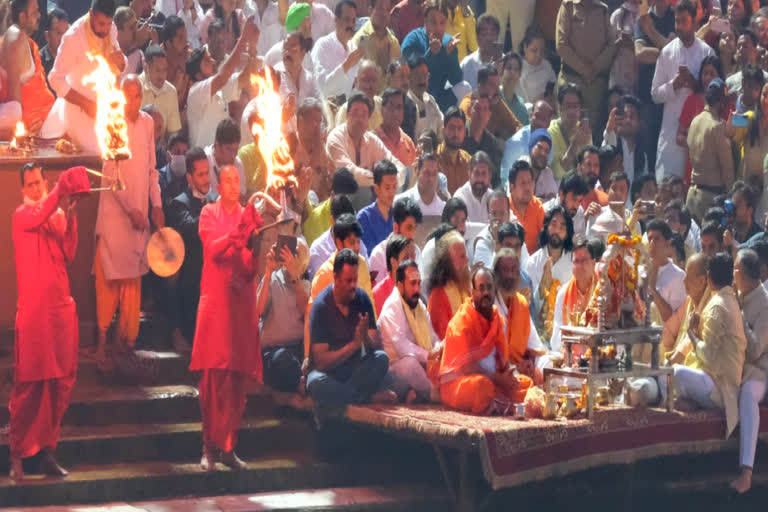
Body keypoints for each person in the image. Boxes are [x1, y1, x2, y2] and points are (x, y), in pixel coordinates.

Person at [10, 164, 88, 480]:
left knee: (59, 385)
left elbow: (68, 252)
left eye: (39, 182)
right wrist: (59, 193)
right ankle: (17, 455)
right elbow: (39, 212)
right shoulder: (22, 215)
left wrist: (69, 214)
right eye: (29, 185)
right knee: (29, 385)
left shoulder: (53, 214)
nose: (35, 188)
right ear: (22, 190)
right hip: (34, 315)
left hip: (59, 312)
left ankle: (48, 452)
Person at [190, 166, 263, 471]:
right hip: (216, 303)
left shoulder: (248, 215)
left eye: (237, 181)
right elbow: (213, 248)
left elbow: (253, 259)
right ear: (219, 186)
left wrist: (246, 276)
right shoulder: (209, 212)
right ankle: (208, 448)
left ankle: (229, 446)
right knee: (211, 381)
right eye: (228, 181)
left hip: (239, 303)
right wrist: (239, 232)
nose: (233, 185)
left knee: (236, 379)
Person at [92, 75, 164, 365]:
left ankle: (126, 344)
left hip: (139, 215)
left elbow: (151, 170)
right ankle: (101, 344)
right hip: (115, 214)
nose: (132, 101)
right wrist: (130, 210)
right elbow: (110, 174)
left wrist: (155, 204)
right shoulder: (112, 122)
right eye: (128, 95)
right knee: (108, 279)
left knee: (132, 282)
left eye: (137, 95)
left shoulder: (147, 123)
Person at [307, 249, 397, 411]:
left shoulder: (362, 299)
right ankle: (366, 397)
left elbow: (376, 346)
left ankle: (346, 395)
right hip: (328, 373)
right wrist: (354, 345)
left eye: (355, 280)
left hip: (354, 370)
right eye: (348, 281)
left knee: (381, 359)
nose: (353, 286)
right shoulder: (321, 306)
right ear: (335, 278)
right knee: (316, 384)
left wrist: (365, 339)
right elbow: (321, 362)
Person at [438, 266, 533, 414]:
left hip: (494, 380)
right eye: (481, 288)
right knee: (482, 386)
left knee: (525, 383)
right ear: (472, 291)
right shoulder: (461, 322)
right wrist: (498, 379)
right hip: (461, 384)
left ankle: (500, 403)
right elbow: (466, 368)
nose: (486, 293)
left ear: (495, 290)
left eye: (489, 287)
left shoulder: (496, 319)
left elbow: (501, 361)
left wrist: (508, 377)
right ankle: (498, 404)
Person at [675, 251, 746, 441]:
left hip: (721, 390)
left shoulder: (718, 305)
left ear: (708, 279)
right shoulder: (727, 299)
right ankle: (691, 399)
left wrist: (691, 332)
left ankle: (693, 401)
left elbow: (708, 356)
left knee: (675, 372)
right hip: (720, 382)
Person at [651, 0, 715, 183]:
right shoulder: (667, 52)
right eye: (676, 21)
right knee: (666, 188)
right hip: (671, 134)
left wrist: (694, 84)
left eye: (683, 21)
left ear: (695, 21)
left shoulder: (706, 53)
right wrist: (674, 85)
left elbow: (715, 93)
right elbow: (655, 94)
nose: (679, 26)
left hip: (697, 133)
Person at [185, 17, 258, 149]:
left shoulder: (219, 90)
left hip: (221, 160)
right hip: (203, 163)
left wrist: (252, 48)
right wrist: (244, 38)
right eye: (207, 61)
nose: (213, 62)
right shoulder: (195, 91)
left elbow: (244, 78)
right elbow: (223, 77)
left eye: (211, 59)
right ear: (198, 74)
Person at [165, 147, 211, 353]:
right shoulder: (178, 204)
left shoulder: (214, 200)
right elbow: (192, 228)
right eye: (200, 175)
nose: (206, 179)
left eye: (207, 172)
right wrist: (216, 212)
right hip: (190, 284)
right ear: (189, 178)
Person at [326, 91, 405, 208]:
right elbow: (350, 173)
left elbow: (397, 165)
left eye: (364, 115)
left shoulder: (372, 140)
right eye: (355, 113)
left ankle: (388, 223)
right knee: (364, 190)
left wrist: (392, 181)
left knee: (397, 186)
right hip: (337, 199)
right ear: (347, 116)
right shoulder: (335, 138)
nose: (359, 119)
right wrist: (382, 181)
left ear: (368, 121)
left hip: (369, 195)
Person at [730, 249, 768, 494]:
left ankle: (747, 471)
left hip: (760, 372)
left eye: (735, 269)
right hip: (737, 367)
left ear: (741, 273)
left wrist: (740, 317)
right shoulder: (740, 296)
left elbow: (755, 351)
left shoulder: (764, 303)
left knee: (747, 395)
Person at [555, 0, 619, 142]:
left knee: (590, 133)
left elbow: (612, 45)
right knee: (564, 131)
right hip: (570, 80)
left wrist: (595, 68)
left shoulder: (603, 10)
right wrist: (584, 70)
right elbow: (561, 44)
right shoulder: (568, 6)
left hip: (594, 85)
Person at [378, 259, 440, 403]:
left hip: (420, 365)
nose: (417, 289)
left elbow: (433, 337)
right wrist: (429, 355)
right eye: (412, 283)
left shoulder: (419, 306)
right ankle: (436, 395)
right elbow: (402, 347)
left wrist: (439, 349)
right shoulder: (392, 306)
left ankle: (416, 395)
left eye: (419, 283)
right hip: (393, 370)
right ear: (400, 286)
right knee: (410, 365)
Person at [257, 237, 311, 393]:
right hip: (275, 351)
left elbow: (308, 314)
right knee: (282, 361)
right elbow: (257, 311)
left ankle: (300, 382)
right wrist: (268, 272)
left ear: (304, 263)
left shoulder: (307, 285)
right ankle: (300, 383)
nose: (290, 259)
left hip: (299, 348)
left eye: (296, 255)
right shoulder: (273, 279)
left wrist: (295, 278)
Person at [0, 0, 59, 135]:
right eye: (34, 12)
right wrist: (23, 132)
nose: (39, 15)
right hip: (32, 127)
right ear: (22, 17)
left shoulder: (22, 38)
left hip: (46, 122)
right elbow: (14, 103)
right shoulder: (15, 38)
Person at [493, 248, 548, 384]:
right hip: (499, 372)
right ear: (496, 274)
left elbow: (536, 347)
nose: (510, 276)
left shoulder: (521, 303)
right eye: (505, 270)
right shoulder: (488, 304)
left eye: (513, 270)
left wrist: (529, 364)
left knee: (548, 364)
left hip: (520, 369)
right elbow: (487, 357)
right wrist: (515, 367)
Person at [686, 77, 735, 222]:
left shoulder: (695, 121)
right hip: (710, 200)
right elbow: (727, 168)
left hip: (692, 196)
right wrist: (731, 196)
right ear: (721, 101)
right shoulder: (717, 126)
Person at [401, 0, 462, 113]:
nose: (438, 28)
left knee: (465, 87)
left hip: (439, 98)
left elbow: (456, 80)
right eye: (433, 22)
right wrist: (431, 54)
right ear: (425, 21)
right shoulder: (412, 40)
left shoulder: (448, 42)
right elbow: (411, 77)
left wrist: (450, 56)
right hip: (415, 97)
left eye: (442, 23)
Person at [676, 55, 723, 186]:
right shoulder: (691, 101)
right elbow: (679, 137)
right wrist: (699, 145)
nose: (707, 78)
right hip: (694, 168)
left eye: (712, 74)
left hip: (718, 169)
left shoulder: (726, 102)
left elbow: (737, 128)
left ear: (720, 77)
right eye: (705, 73)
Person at [550, 236, 602, 353]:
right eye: (576, 261)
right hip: (570, 354)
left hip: (598, 353)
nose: (579, 266)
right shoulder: (563, 294)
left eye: (584, 261)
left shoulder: (603, 291)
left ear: (594, 263)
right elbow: (555, 338)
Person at [525, 205, 575, 321]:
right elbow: (530, 308)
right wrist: (542, 287)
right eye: (553, 224)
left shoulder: (574, 261)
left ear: (567, 233)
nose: (557, 230)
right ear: (546, 227)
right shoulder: (533, 262)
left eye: (562, 226)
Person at [459, 63, 522, 144]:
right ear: (480, 85)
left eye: (497, 85)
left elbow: (516, 126)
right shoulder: (467, 104)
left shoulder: (496, 102)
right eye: (492, 85)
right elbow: (467, 133)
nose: (496, 89)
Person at [368, 195, 422, 287]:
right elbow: (379, 294)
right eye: (409, 228)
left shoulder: (416, 251)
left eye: (415, 228)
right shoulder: (378, 255)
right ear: (396, 227)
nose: (412, 234)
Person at [311, 0, 361, 98]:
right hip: (324, 109)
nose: (351, 25)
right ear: (336, 20)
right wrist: (346, 65)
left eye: (353, 20)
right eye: (347, 19)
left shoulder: (353, 48)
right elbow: (322, 89)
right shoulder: (323, 46)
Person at [427, 229, 470, 339]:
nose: (467, 260)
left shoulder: (469, 287)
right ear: (447, 263)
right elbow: (446, 338)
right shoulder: (438, 296)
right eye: (461, 257)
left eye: (465, 255)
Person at [303, 167, 360, 248]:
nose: (348, 204)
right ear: (333, 195)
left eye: (350, 201)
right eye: (344, 200)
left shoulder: (354, 215)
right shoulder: (315, 220)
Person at [646, 219, 687, 328]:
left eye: (657, 239)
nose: (652, 243)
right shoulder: (640, 271)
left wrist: (653, 290)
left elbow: (673, 318)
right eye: (650, 238)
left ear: (667, 243)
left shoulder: (678, 276)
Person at [501, 99, 554, 180]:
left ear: (549, 123)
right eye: (537, 115)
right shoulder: (516, 143)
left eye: (543, 119)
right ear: (531, 115)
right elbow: (505, 179)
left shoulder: (548, 142)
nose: (539, 121)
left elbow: (544, 172)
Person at [548, 83, 592, 181]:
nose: (572, 111)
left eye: (575, 106)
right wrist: (575, 145)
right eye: (568, 106)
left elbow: (590, 169)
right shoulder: (550, 132)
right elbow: (557, 173)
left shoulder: (583, 130)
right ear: (560, 108)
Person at [603, 94, 649, 186]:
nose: (628, 120)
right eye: (624, 116)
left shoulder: (642, 157)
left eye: (632, 116)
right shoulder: (613, 142)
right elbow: (609, 138)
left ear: (639, 122)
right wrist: (609, 130)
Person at [140, 44, 182, 137]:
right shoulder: (135, 87)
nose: (162, 75)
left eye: (165, 70)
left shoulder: (171, 91)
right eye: (158, 70)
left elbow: (173, 131)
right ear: (146, 68)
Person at [459, 95, 503, 184]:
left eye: (485, 109)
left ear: (489, 115)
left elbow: (495, 179)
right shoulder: (459, 135)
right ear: (469, 110)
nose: (481, 114)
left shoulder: (492, 143)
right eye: (477, 108)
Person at [350, 0, 401, 75]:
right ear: (370, 10)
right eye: (380, 9)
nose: (384, 14)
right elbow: (355, 73)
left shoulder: (392, 41)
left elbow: (399, 73)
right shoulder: (362, 39)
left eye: (387, 10)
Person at [375, 88, 417, 177]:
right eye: (391, 107)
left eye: (399, 107)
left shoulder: (408, 143)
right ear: (382, 109)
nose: (395, 112)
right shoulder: (372, 140)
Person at [372, 234, 416, 315]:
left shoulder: (415, 288)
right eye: (406, 258)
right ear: (393, 262)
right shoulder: (378, 294)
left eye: (413, 256)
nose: (411, 262)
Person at [333, 59, 383, 130]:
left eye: (373, 81)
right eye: (365, 80)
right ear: (356, 82)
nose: (369, 86)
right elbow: (339, 138)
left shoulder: (382, 106)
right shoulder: (345, 110)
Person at [206, 119, 248, 201]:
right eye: (228, 149)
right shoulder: (204, 162)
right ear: (217, 145)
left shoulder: (238, 164)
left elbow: (241, 198)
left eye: (236, 150)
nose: (233, 155)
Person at [508, 160, 545, 254]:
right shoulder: (504, 207)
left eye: (530, 182)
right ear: (512, 187)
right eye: (523, 183)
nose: (528, 188)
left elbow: (546, 236)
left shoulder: (537, 206)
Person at [405, 55, 443, 141]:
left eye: (425, 75)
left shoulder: (431, 100)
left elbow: (441, 129)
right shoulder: (405, 104)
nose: (422, 79)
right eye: (417, 75)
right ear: (408, 77)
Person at [472, 189, 514, 268]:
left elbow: (526, 270)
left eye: (502, 213)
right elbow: (486, 276)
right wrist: (497, 242)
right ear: (488, 215)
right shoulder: (482, 242)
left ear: (508, 215)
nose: (498, 218)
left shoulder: (516, 236)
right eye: (494, 214)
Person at [395, 151, 445, 216]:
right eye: (427, 173)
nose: (431, 178)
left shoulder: (443, 209)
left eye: (434, 174)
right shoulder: (399, 204)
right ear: (417, 172)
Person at [460, 13, 500, 91]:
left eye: (492, 33)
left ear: (497, 37)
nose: (489, 38)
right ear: (477, 38)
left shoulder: (507, 64)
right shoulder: (467, 63)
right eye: (484, 34)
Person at [543, 169, 588, 238]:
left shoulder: (579, 212)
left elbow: (580, 241)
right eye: (574, 199)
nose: (576, 206)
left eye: (580, 201)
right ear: (561, 194)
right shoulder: (545, 211)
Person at [437, 106, 471, 195]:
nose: (455, 133)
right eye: (451, 127)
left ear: (464, 133)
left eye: (459, 128)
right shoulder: (434, 159)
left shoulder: (468, 161)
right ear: (443, 131)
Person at [518, 25, 556, 103]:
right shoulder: (518, 68)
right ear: (525, 47)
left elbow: (555, 90)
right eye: (534, 50)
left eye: (542, 50)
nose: (539, 55)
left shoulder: (547, 66)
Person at [453, 150, 492, 223]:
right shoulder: (460, 198)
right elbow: (462, 227)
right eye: (476, 173)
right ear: (469, 173)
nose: (480, 178)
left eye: (484, 174)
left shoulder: (493, 198)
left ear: (489, 176)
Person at [158, 132, 191, 209]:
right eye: (177, 152)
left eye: (184, 153)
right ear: (168, 156)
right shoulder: (159, 179)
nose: (181, 156)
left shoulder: (190, 178)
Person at [526, 128, 558, 201]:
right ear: (531, 147)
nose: (543, 153)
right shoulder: (520, 167)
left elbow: (554, 201)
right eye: (539, 147)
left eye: (546, 151)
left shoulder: (547, 173)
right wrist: (543, 200)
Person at [39, 8, 69, 76]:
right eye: (58, 33)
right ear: (47, 36)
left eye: (65, 33)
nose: (62, 38)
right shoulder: (38, 61)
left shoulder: (72, 56)